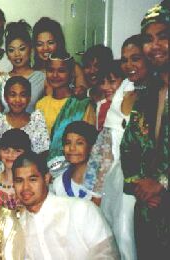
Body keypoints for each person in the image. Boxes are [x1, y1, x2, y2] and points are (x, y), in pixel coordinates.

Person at [84, 34, 152, 260]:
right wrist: (97, 190)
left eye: (136, 58)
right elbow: (106, 143)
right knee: (119, 238)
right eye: (125, 59)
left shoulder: (157, 91)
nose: (129, 65)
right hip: (116, 179)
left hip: (148, 180)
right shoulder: (123, 87)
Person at [120, 2, 169, 258]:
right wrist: (141, 184)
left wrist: (161, 184)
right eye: (149, 39)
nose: (155, 46)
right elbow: (129, 146)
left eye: (163, 36)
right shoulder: (149, 92)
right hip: (148, 211)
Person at [13, 152, 120, 259]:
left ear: (46, 179)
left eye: (32, 179)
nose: (25, 187)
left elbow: (108, 255)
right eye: (19, 181)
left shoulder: (81, 210)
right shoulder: (19, 229)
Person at [35, 51, 95, 173]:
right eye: (51, 70)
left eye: (61, 70)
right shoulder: (41, 104)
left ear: (72, 74)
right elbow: (37, 143)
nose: (55, 75)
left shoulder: (82, 104)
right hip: (46, 169)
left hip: (75, 170)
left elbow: (90, 143)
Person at [0, 76, 49, 155]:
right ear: (5, 97)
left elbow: (43, 153)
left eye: (23, 95)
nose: (17, 100)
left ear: (29, 98)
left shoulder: (37, 120)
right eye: (13, 95)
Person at [0, 20, 45, 113]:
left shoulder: (42, 77)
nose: (17, 54)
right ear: (7, 54)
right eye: (11, 50)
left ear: (30, 49)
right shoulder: (0, 80)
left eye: (22, 49)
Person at [32, 17, 87, 97]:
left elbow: (83, 97)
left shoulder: (74, 68)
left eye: (50, 43)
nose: (45, 48)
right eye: (40, 44)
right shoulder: (34, 73)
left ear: (59, 43)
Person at [51, 121, 98, 199]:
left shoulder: (100, 184)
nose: (72, 148)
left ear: (91, 148)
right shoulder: (59, 184)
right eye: (68, 143)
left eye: (79, 143)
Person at [0, 129, 32, 210]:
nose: (10, 155)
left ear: (26, 153)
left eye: (17, 151)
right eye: (6, 150)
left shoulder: (31, 183)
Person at [95, 60, 125, 131]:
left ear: (125, 81)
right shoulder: (101, 106)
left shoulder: (132, 105)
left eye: (112, 81)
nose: (105, 87)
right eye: (102, 82)